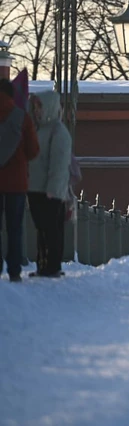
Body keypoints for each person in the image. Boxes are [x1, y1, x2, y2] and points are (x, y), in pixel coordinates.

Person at [26, 91, 72, 278]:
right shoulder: (39, 130)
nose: (37, 111)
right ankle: (43, 264)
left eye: (40, 107)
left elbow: (59, 164)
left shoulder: (58, 132)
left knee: (51, 229)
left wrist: (53, 189)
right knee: (42, 229)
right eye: (35, 107)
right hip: (36, 188)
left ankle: (51, 265)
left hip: (49, 191)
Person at [0, 78, 40, 282]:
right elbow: (33, 151)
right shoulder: (22, 118)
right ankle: (14, 270)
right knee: (15, 227)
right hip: (16, 182)